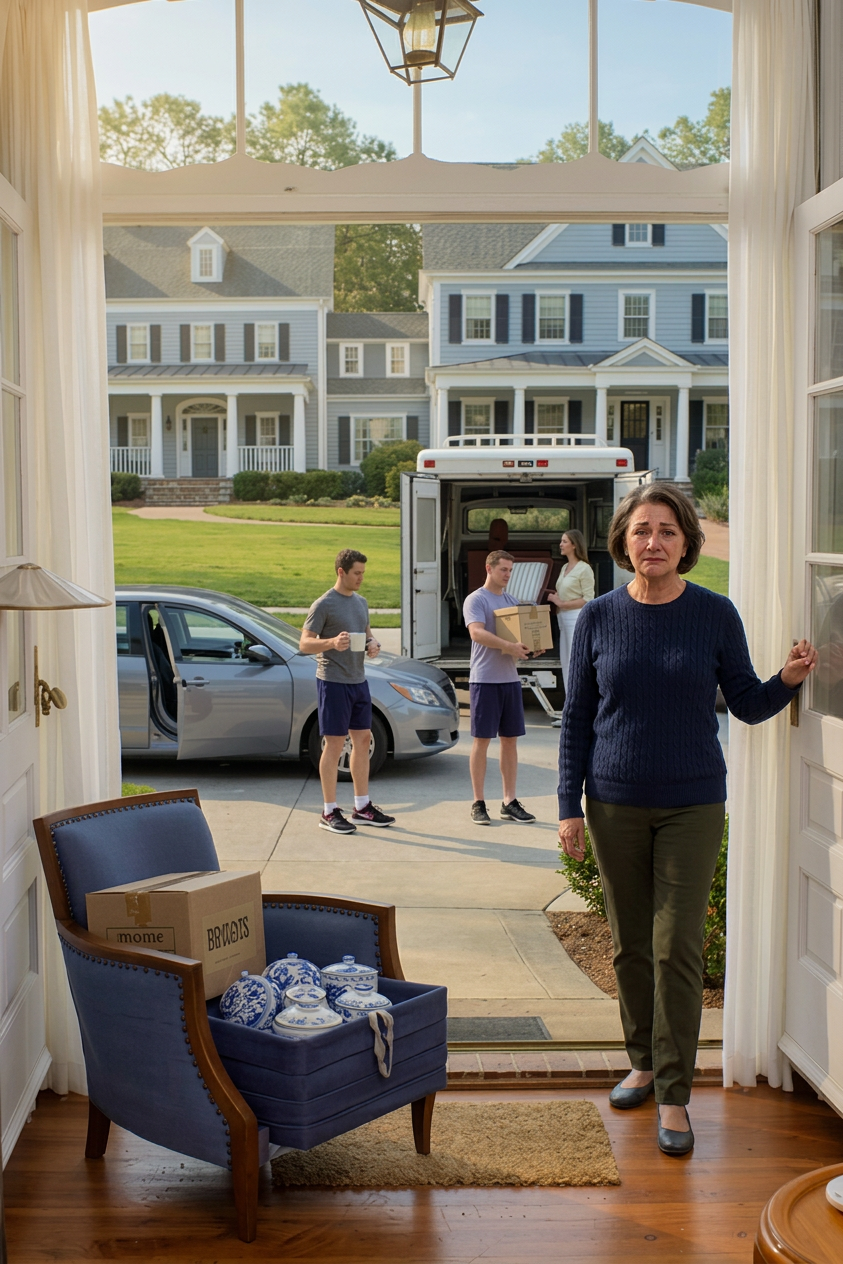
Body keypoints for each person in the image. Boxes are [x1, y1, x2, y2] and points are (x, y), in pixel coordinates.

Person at [557, 483, 816, 1156]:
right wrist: (566, 808)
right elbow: (576, 721)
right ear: (623, 541)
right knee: (628, 945)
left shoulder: (713, 615)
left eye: (667, 531)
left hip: (692, 803)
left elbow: (746, 704)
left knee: (677, 948)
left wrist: (787, 678)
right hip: (611, 801)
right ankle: (641, 1061)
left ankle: (674, 1094)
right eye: (642, 530)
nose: (653, 542)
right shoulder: (597, 618)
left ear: (685, 544)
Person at [300, 548, 395, 834]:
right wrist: (331, 643)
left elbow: (367, 633)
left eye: (363, 573)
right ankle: (329, 811)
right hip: (333, 682)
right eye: (357, 573)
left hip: (358, 680)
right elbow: (305, 643)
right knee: (334, 745)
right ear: (341, 572)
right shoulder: (324, 604)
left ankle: (361, 807)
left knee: (363, 740)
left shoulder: (361, 602)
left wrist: (373, 644)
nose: (361, 578)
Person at [463, 549, 541, 826]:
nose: (507, 575)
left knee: (510, 741)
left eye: (510, 570)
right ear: (489, 568)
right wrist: (509, 646)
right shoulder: (476, 599)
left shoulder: (511, 601)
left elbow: (519, 637)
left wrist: (533, 648)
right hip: (484, 680)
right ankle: (478, 802)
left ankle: (509, 802)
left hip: (509, 679)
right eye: (503, 570)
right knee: (482, 741)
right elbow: (476, 632)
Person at [546, 529, 595, 690]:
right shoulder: (565, 567)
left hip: (575, 618)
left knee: (576, 661)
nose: (561, 544)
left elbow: (588, 599)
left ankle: (578, 701)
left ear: (574, 545)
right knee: (565, 661)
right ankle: (570, 700)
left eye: (564, 541)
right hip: (562, 619)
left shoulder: (584, 568)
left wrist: (560, 603)